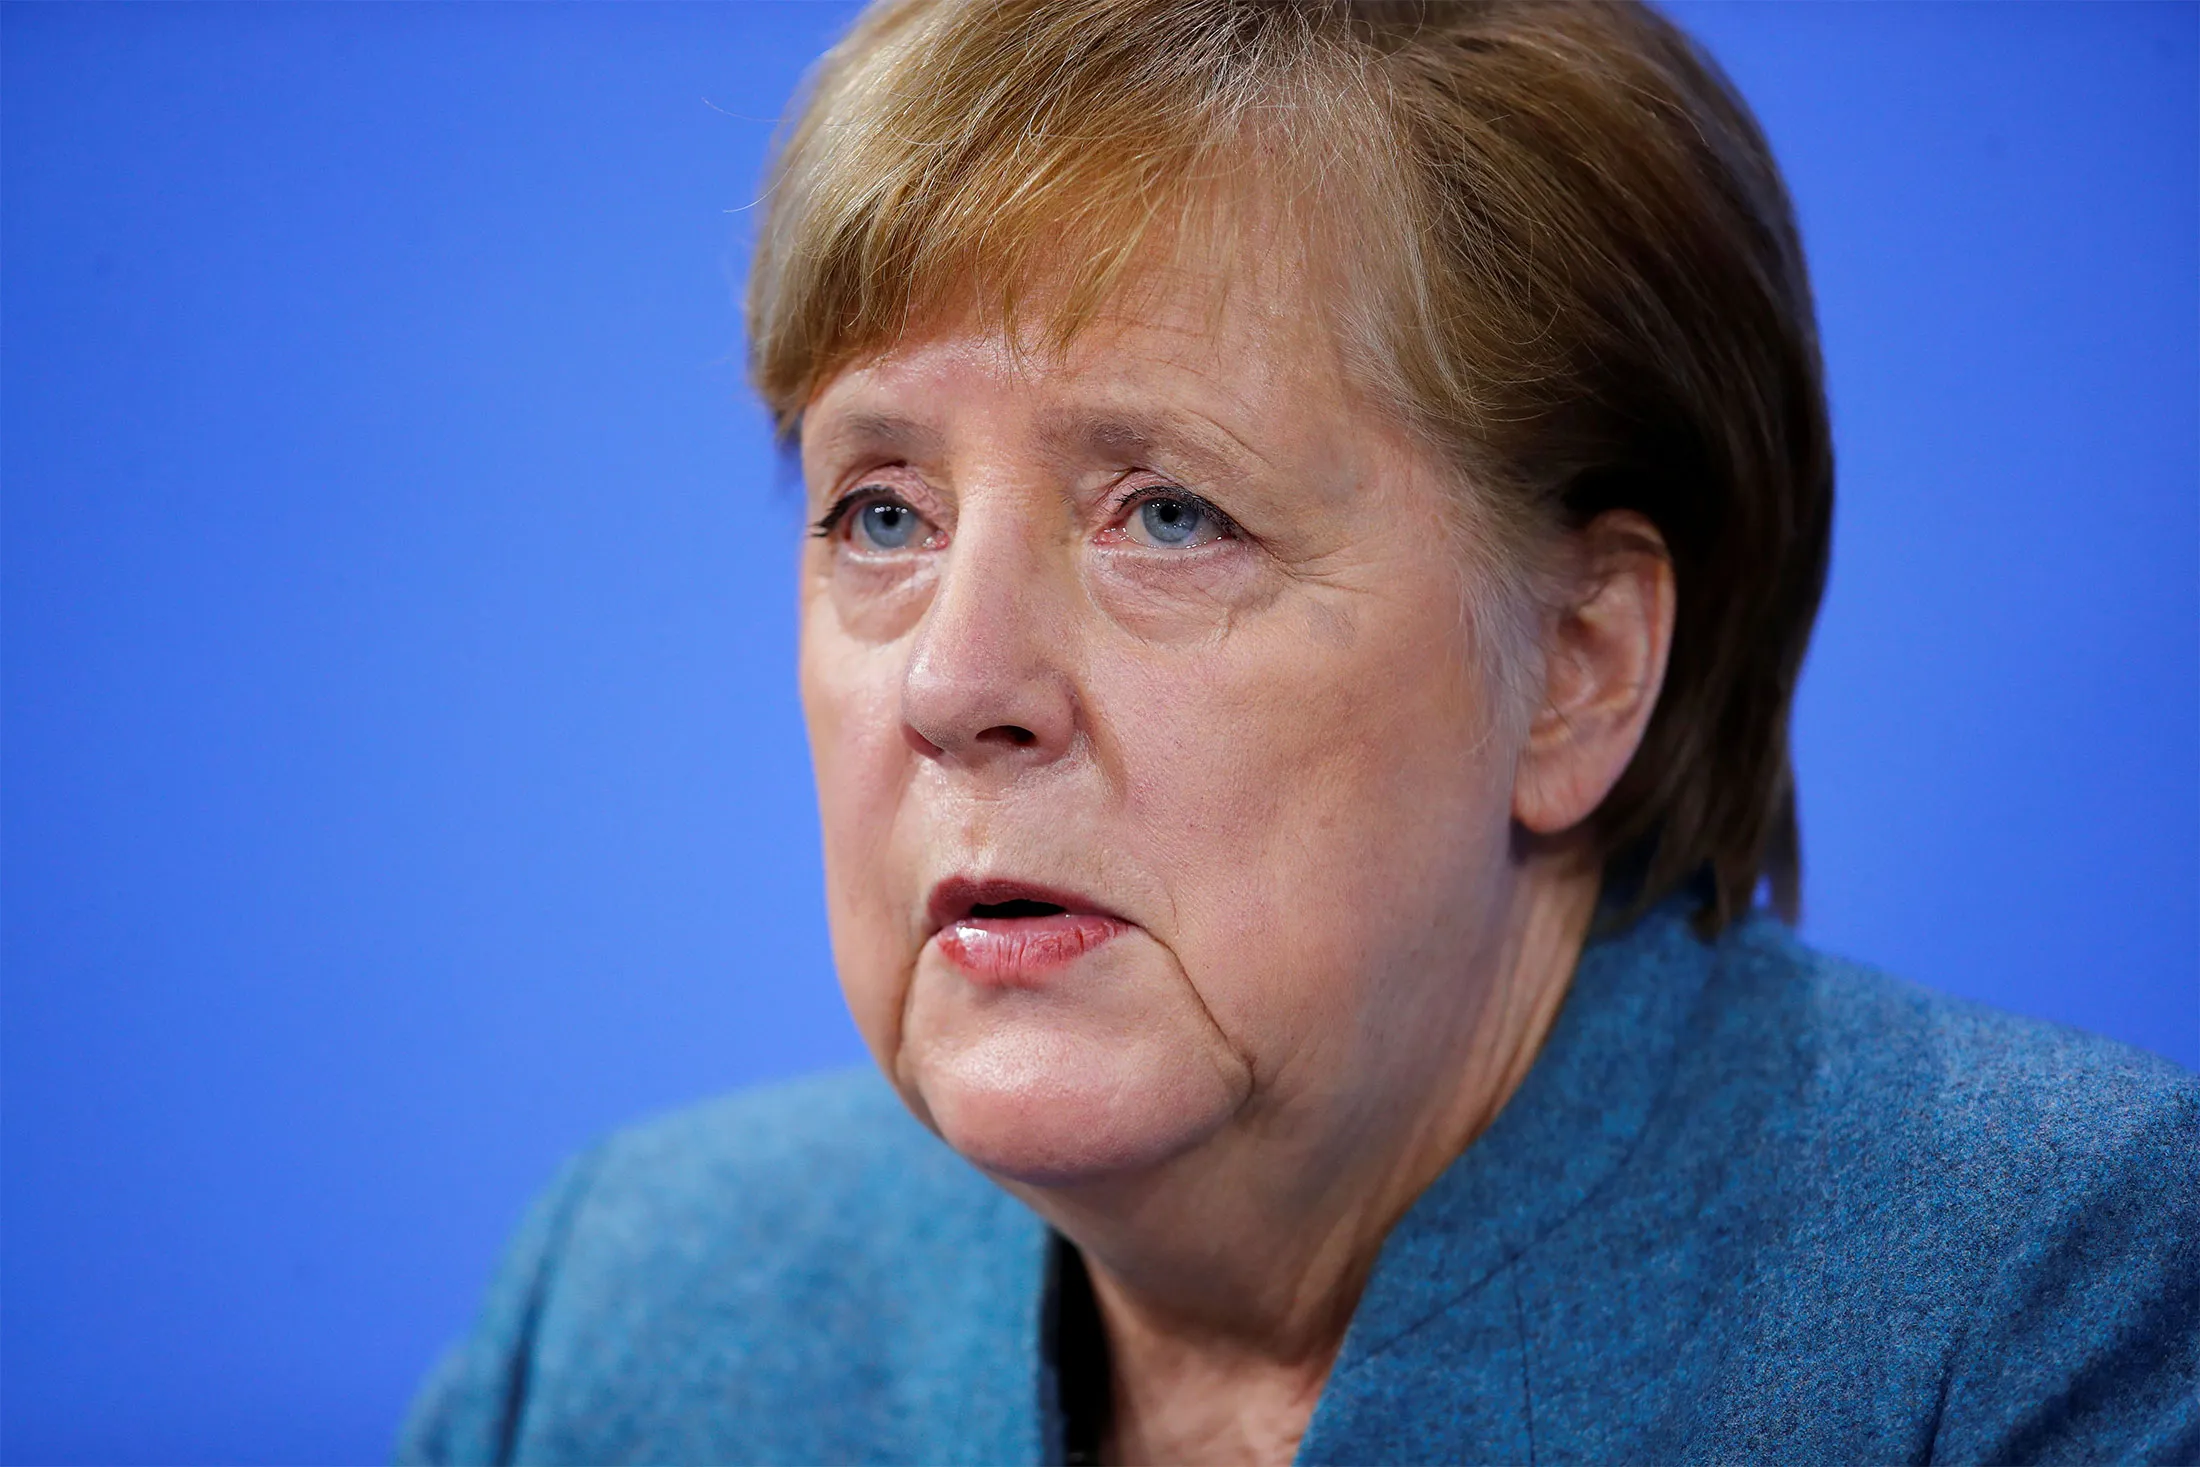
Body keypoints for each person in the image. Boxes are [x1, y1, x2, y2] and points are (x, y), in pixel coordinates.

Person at [397, 2, 2199, 1461]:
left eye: (1171, 513)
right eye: (882, 512)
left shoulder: (2037, 1302)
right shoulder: (637, 1311)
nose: (955, 684)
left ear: (1576, 665)